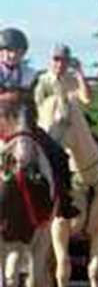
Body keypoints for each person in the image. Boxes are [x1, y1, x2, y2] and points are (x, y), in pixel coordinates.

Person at [0, 28, 78, 218]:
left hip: (24, 127)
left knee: (58, 154)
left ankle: (64, 201)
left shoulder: (31, 75)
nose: (12, 55)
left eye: (17, 52)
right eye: (8, 51)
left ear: (23, 54)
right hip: (1, 124)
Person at [33, 43, 92, 109]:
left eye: (64, 60)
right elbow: (39, 104)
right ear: (50, 61)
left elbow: (86, 99)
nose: (60, 64)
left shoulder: (73, 80)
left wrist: (79, 73)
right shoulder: (42, 80)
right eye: (56, 59)